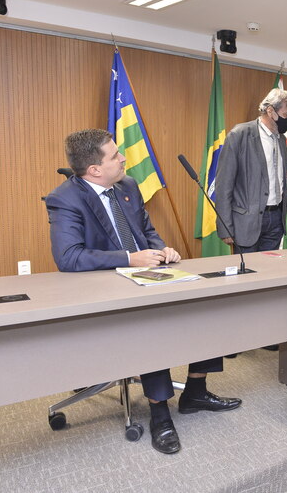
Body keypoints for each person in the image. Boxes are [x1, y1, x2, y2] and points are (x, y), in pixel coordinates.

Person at [46, 129, 241, 455]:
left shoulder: (128, 186)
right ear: (94, 169)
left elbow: (146, 232)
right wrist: (129, 259)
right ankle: (159, 413)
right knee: (151, 320)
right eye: (115, 155)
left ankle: (195, 390)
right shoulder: (64, 199)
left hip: (150, 275)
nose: (123, 158)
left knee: (208, 301)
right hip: (106, 288)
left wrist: (162, 249)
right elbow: (69, 257)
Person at [214, 88, 287, 253]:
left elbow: (279, 184)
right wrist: (225, 227)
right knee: (248, 269)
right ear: (270, 111)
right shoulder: (240, 135)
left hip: (275, 221)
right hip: (246, 223)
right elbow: (223, 185)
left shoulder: (281, 140)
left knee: (269, 268)